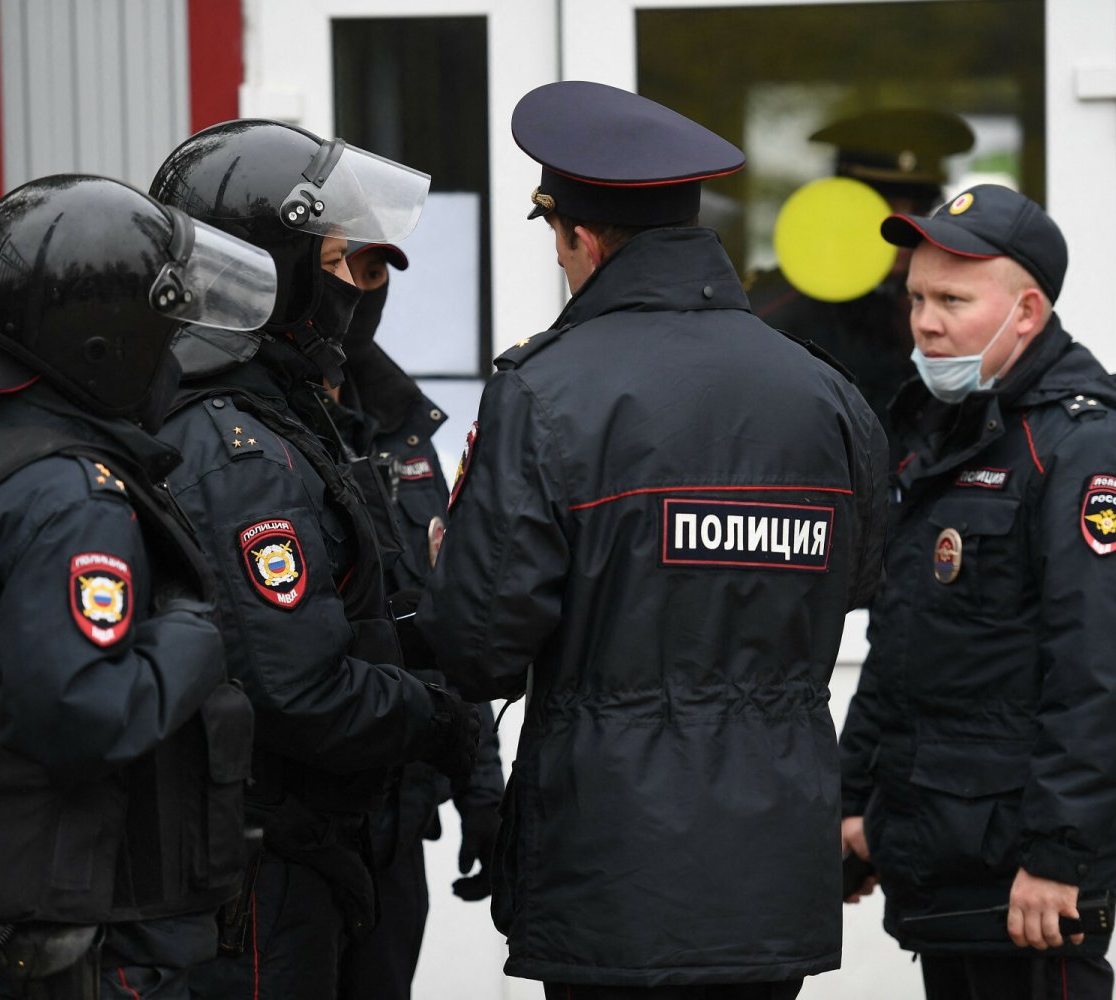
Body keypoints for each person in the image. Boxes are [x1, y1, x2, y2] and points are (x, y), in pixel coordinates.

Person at [416, 80, 889, 998]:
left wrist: (452, 575)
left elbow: (477, 651)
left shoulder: (545, 392)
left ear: (580, 237)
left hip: (612, 874)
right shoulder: (823, 392)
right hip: (769, 872)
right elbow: (862, 579)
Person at [0, 174, 278, 998]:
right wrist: (190, 638)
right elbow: (78, 713)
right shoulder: (68, 497)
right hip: (81, 953)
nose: (173, 353)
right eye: (162, 330)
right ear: (105, 342)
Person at [145, 119, 483, 1000]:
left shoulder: (290, 422)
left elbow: (360, 613)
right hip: (263, 862)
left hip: (331, 842)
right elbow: (298, 687)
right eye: (340, 263)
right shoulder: (236, 448)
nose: (357, 294)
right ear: (268, 267)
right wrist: (436, 718)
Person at [837, 184, 1116, 1000]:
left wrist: (1062, 858)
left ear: (1026, 313)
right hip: (942, 860)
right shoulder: (946, 432)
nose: (923, 320)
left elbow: (1100, 676)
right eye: (916, 296)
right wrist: (853, 802)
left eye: (951, 299)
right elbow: (906, 643)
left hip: (1027, 882)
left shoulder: (1087, 452)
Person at [330, 240, 506, 1000]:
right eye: (342, 267)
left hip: (397, 826)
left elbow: (444, 615)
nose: (359, 291)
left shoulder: (399, 426)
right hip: (289, 835)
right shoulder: (239, 425)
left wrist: (482, 791)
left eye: (373, 274)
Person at [746, 108, 975, 429]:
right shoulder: (782, 309)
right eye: (882, 209)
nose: (903, 229)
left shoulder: (941, 302)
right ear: (844, 206)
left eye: (920, 209)